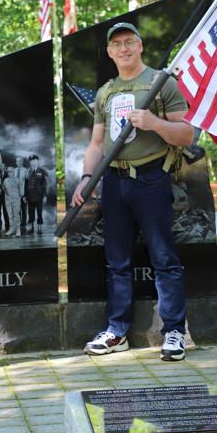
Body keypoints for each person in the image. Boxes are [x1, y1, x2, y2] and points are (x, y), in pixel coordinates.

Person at [72, 22, 194, 361]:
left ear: (140, 46)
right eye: (117, 45)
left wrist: (155, 124)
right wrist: (86, 177)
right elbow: (97, 143)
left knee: (164, 257)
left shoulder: (162, 82)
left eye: (129, 42)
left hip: (152, 179)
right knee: (117, 261)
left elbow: (186, 134)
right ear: (110, 53)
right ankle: (117, 330)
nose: (124, 48)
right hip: (113, 182)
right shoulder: (106, 92)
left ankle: (173, 332)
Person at [25, 154, 48, 234]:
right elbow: (25, 184)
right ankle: (31, 227)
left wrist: (44, 195)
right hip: (29, 195)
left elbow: (44, 184)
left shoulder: (41, 171)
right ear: (30, 162)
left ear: (37, 161)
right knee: (30, 212)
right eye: (31, 161)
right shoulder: (27, 171)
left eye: (34, 160)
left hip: (39, 195)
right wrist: (25, 195)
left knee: (39, 212)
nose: (33, 162)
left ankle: (39, 228)